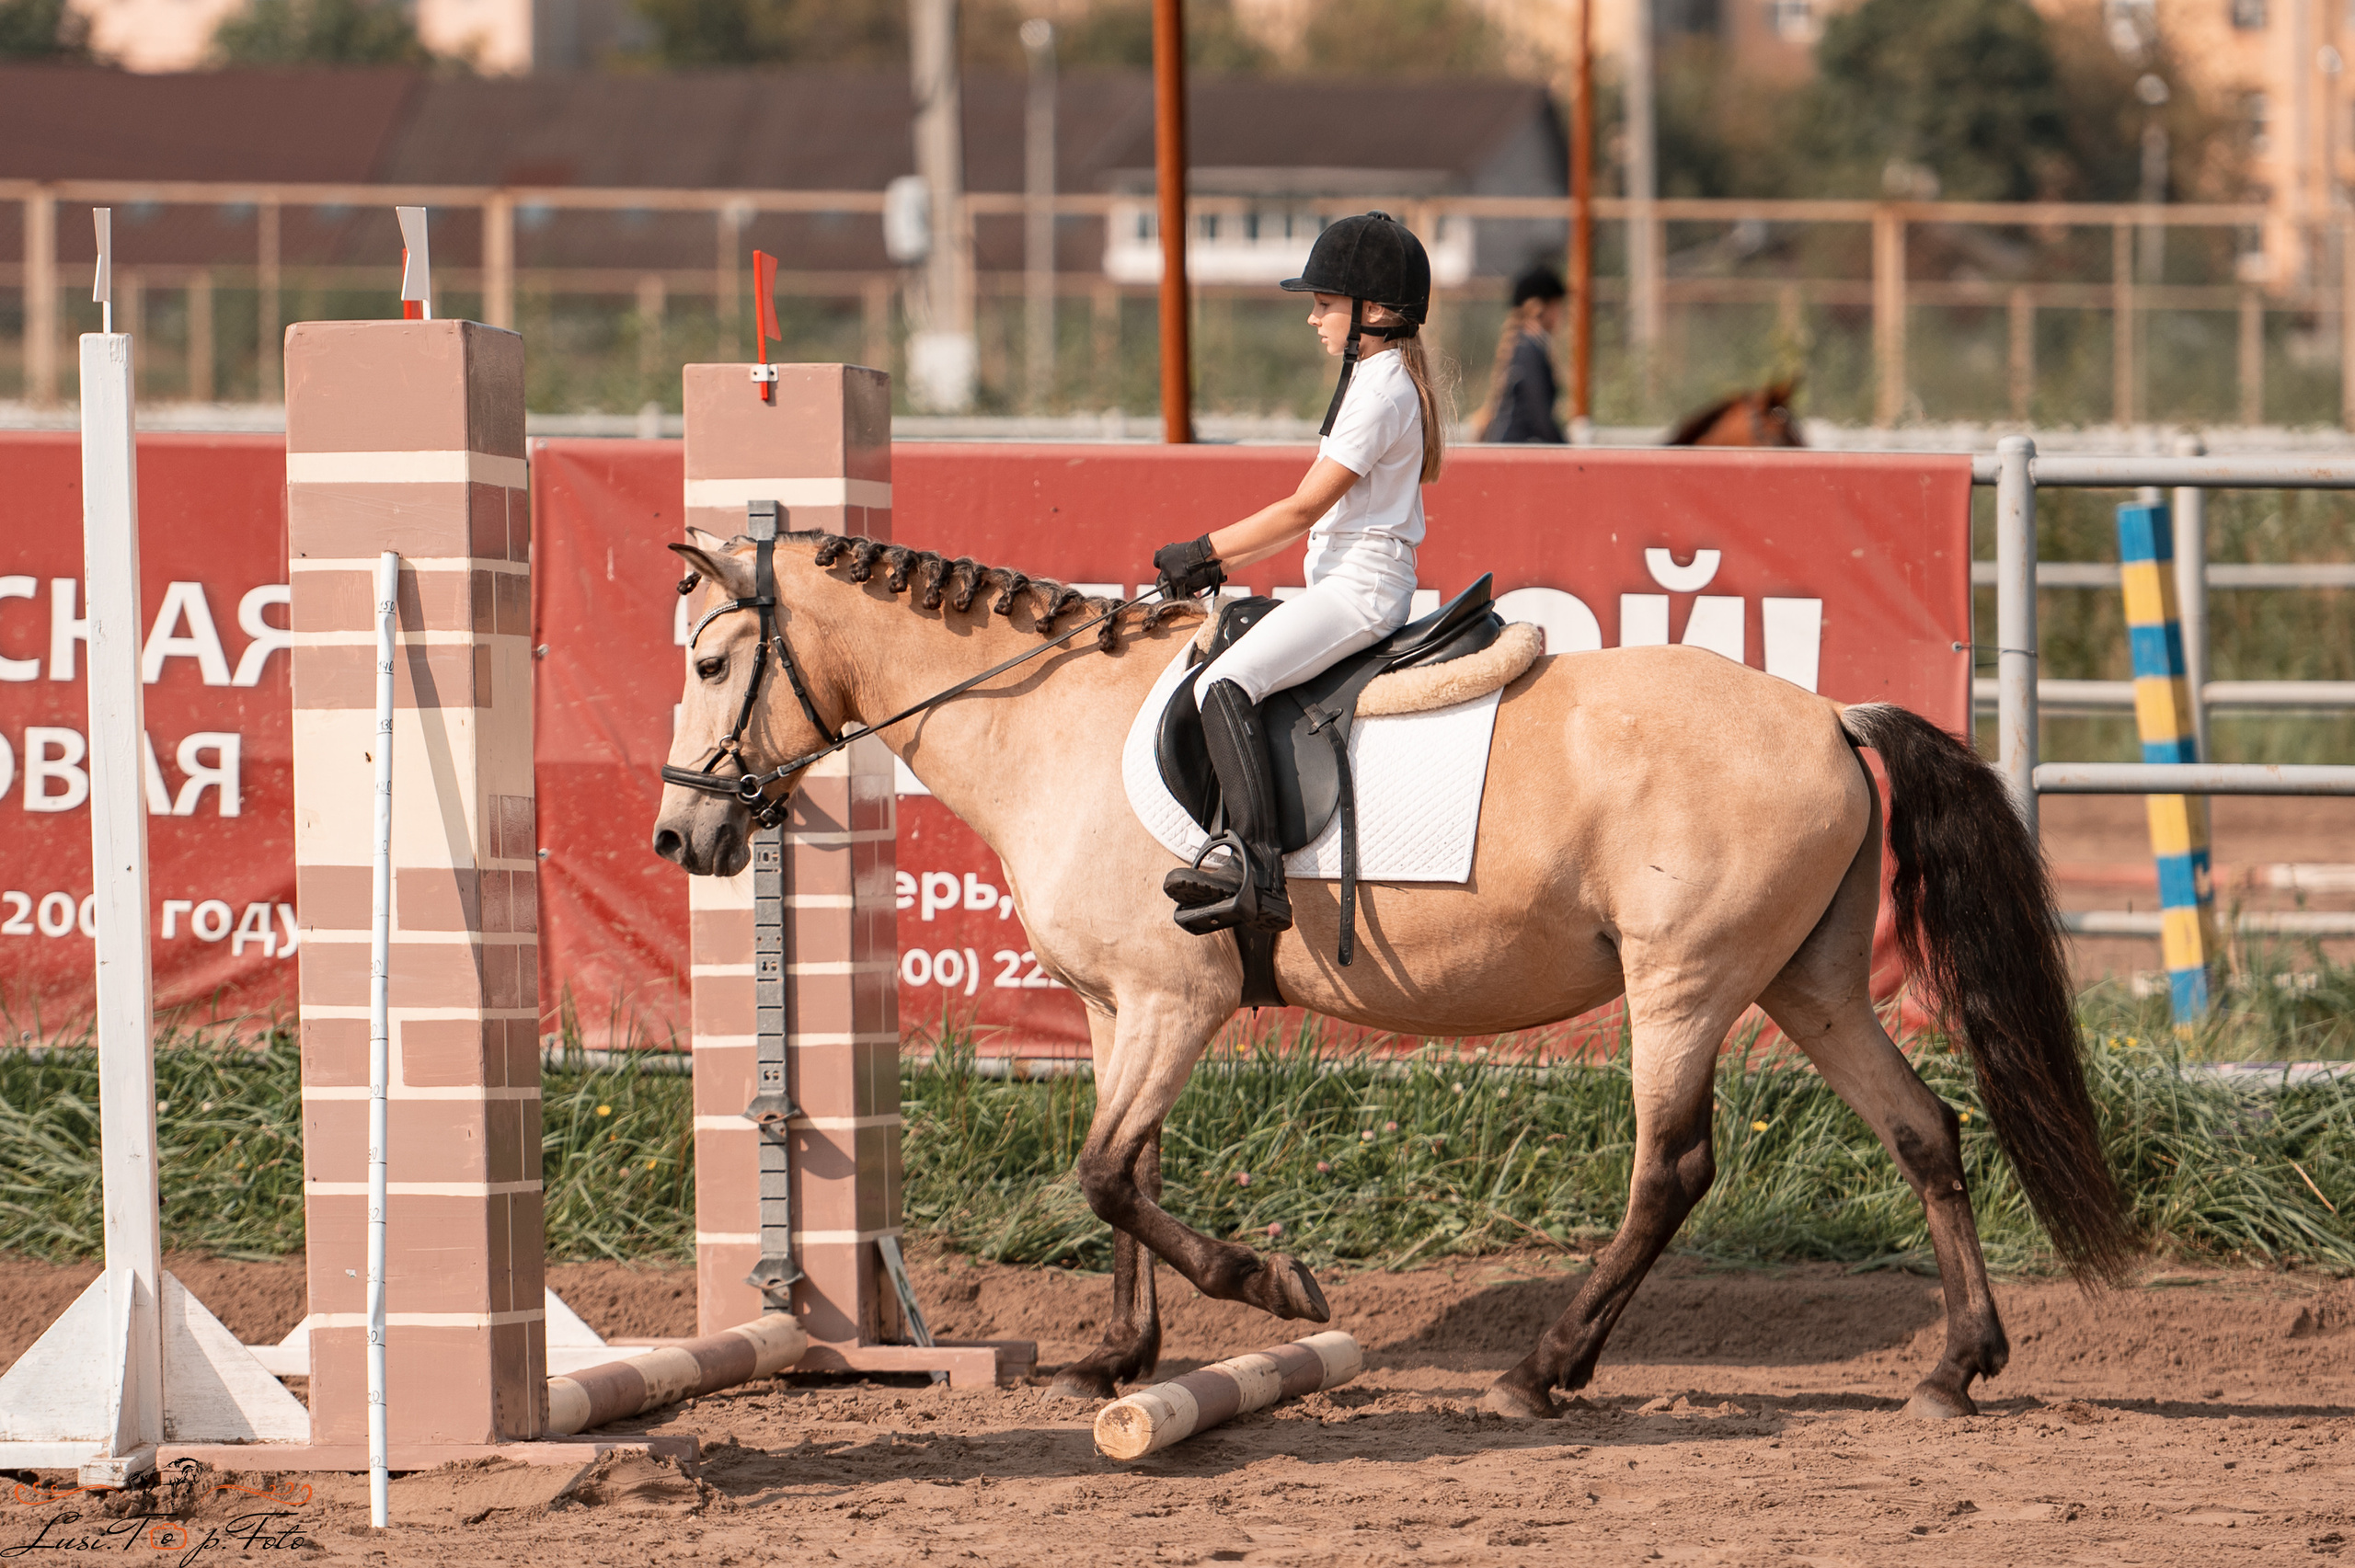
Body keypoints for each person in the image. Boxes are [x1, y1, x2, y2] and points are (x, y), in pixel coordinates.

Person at [1148, 211, 1447, 937]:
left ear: (1372, 311)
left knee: (1224, 683)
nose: (1313, 318)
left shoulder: (1379, 391)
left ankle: (1254, 869)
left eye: (1324, 303)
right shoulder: (1376, 378)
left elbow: (1303, 507)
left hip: (1360, 591)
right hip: (1346, 582)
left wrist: (1206, 552)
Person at [1476, 265, 1568, 444]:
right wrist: (1573, 457)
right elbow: (1541, 417)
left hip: (1511, 451)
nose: (1560, 315)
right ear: (1541, 308)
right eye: (1557, 306)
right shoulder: (1529, 351)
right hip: (1511, 453)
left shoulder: (1524, 347)